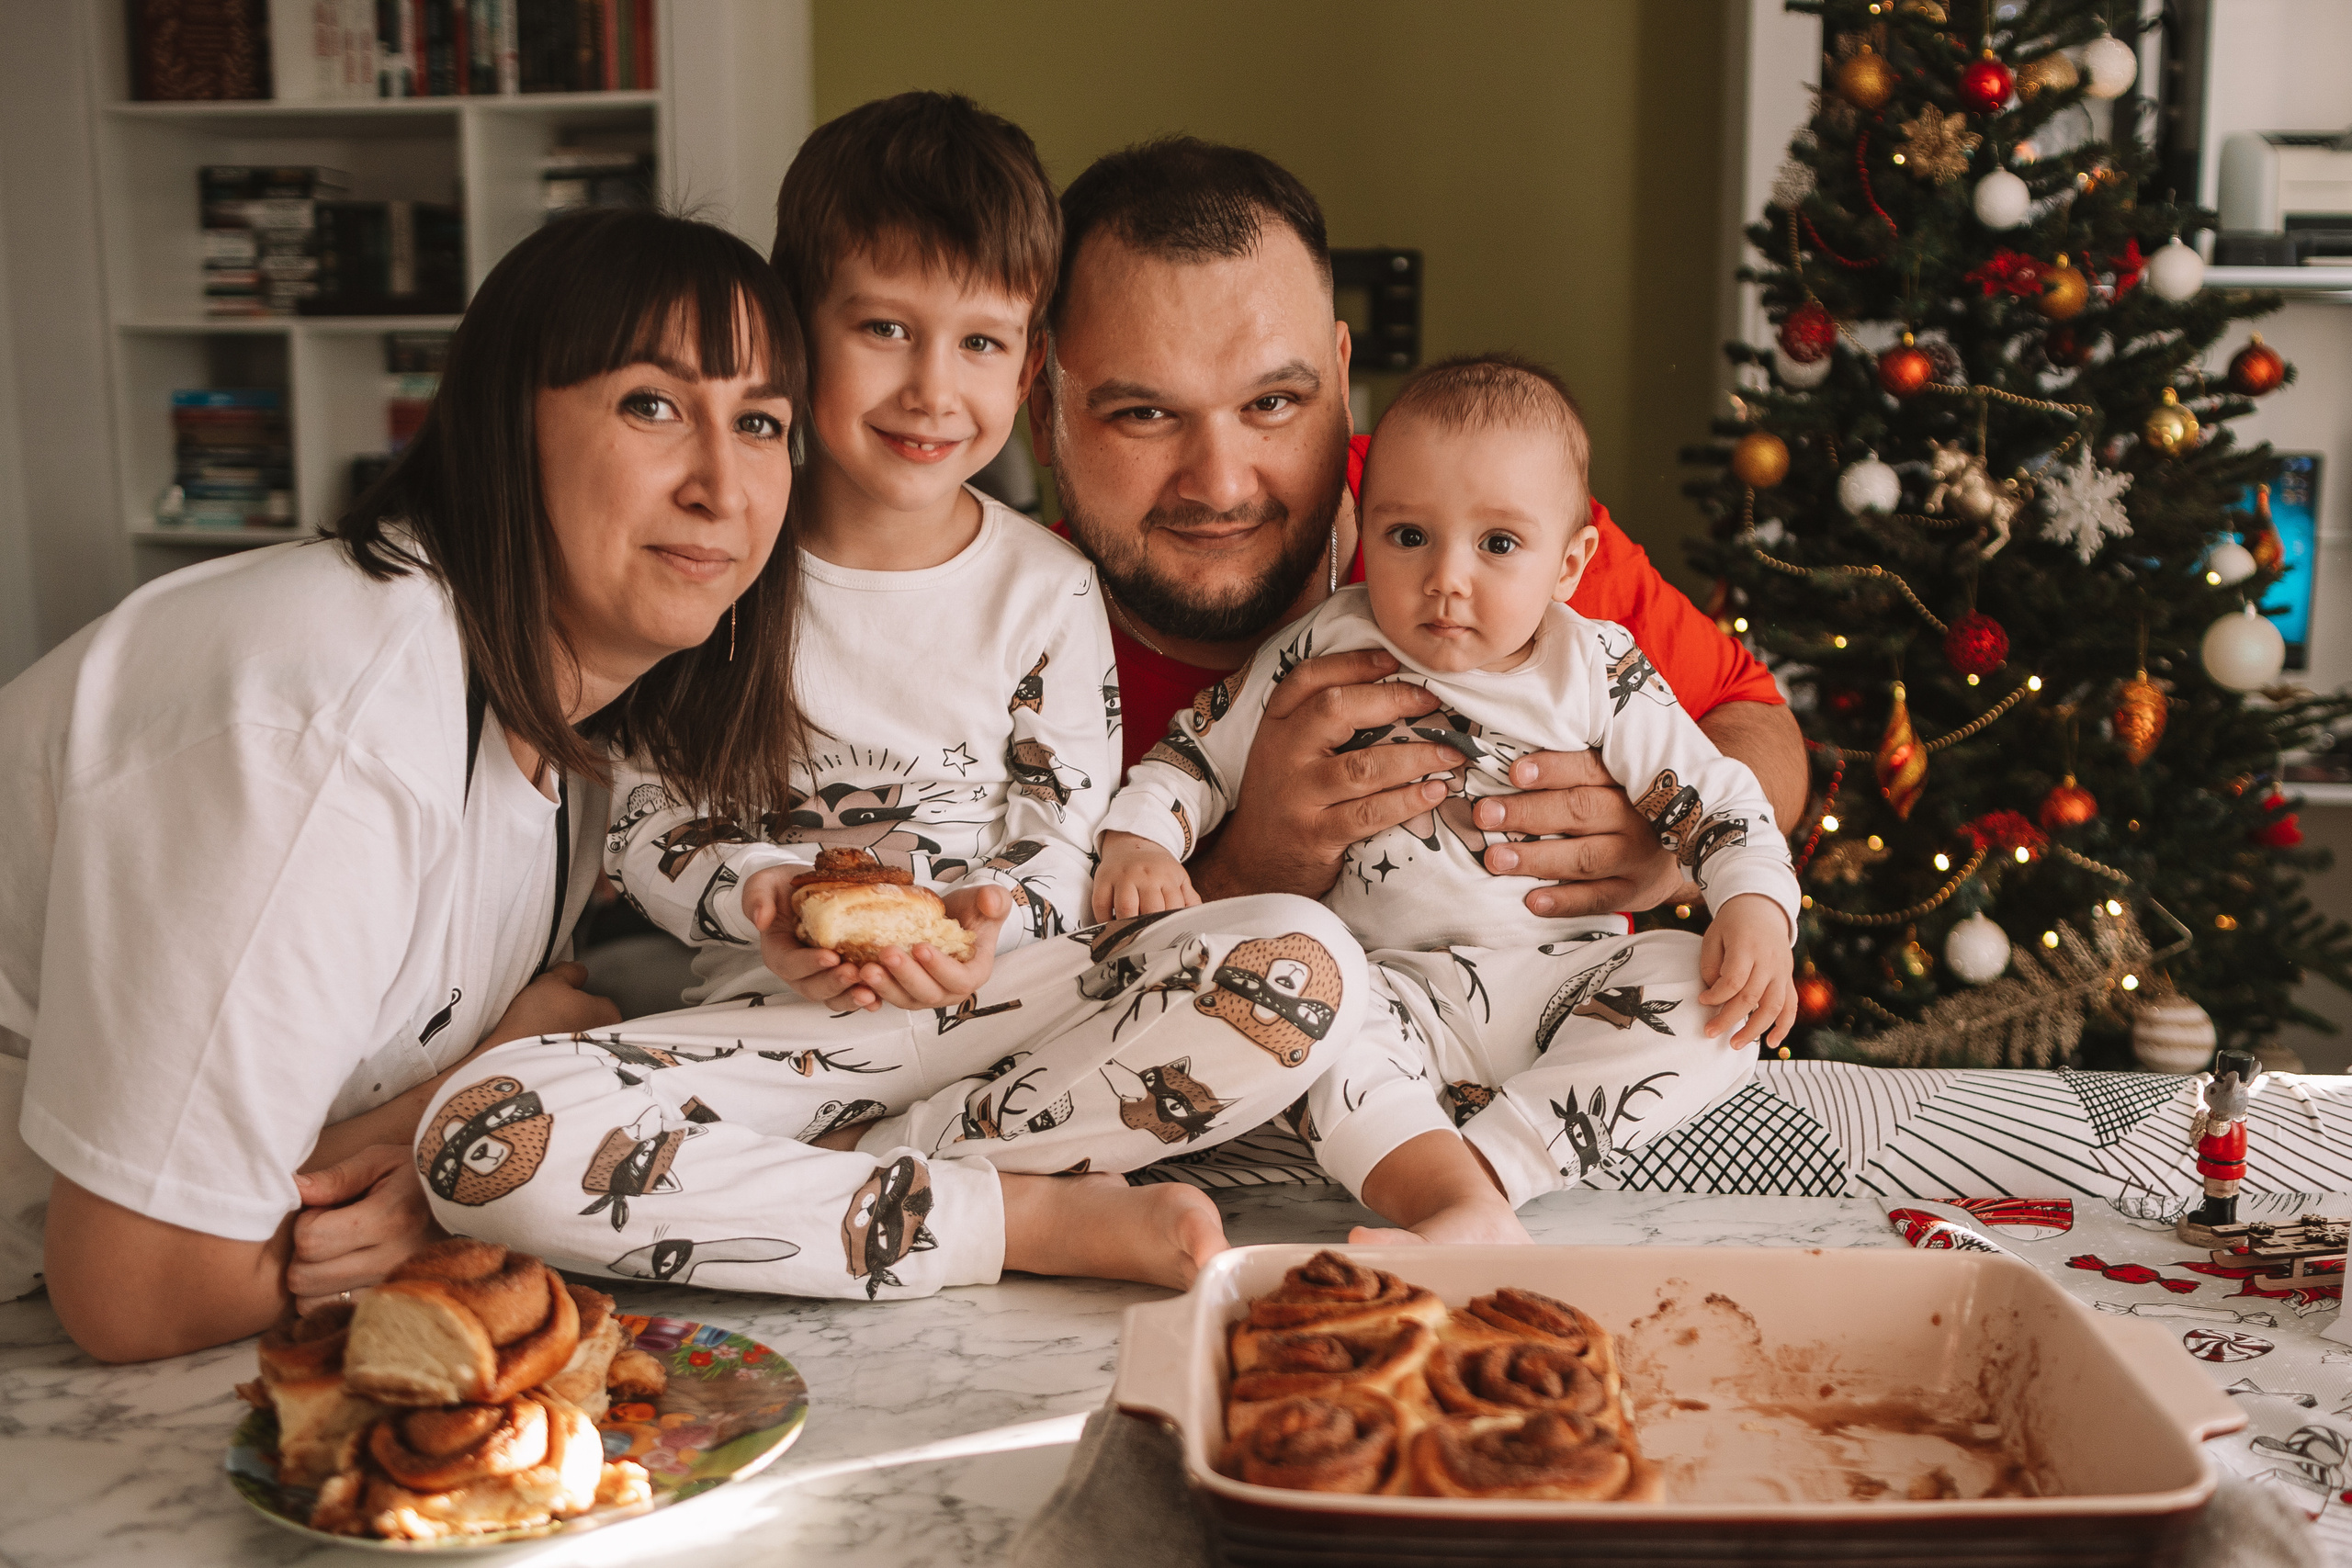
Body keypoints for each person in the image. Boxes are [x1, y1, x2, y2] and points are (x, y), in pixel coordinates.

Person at [413, 93, 1366, 1301]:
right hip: (775, 1026)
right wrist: (759, 900)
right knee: (480, 1134)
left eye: (978, 343)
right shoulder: (724, 558)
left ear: (1028, 366)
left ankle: (810, 1183)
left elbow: (1057, 830)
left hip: (1009, 1008)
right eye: (884, 330)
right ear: (796, 333)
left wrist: (975, 919)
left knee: (1303, 961)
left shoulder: (1047, 584)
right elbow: (650, 821)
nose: (931, 388)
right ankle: (1014, 1214)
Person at [0, 207, 806, 1359]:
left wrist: (463, 1130)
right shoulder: (335, 717)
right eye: (653, 404)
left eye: (764, 422)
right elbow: (143, 1290)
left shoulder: (562, 737)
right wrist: (476, 1109)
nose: (722, 486)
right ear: (500, 425)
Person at [1099, 353, 1799, 1245]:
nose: (1446, 578)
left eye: (1497, 544)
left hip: (1566, 988)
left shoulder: (1594, 665)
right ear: (1363, 534)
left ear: (1568, 561)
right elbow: (1196, 757)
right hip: (1384, 988)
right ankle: (1430, 1178)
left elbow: (1714, 795)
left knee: (1702, 992)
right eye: (1408, 536)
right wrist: (1141, 840)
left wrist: (1754, 902)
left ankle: (1489, 1173)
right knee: (1293, 1010)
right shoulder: (1321, 646)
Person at [1028, 138, 1807, 927]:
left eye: (1272, 403)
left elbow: (1756, 721)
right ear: (1041, 414)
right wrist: (1248, 870)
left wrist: (1660, 853)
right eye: (1145, 414)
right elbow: (995, 1017)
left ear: (1339, 378)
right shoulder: (995, 635)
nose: (1223, 482)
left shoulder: (1483, 526)